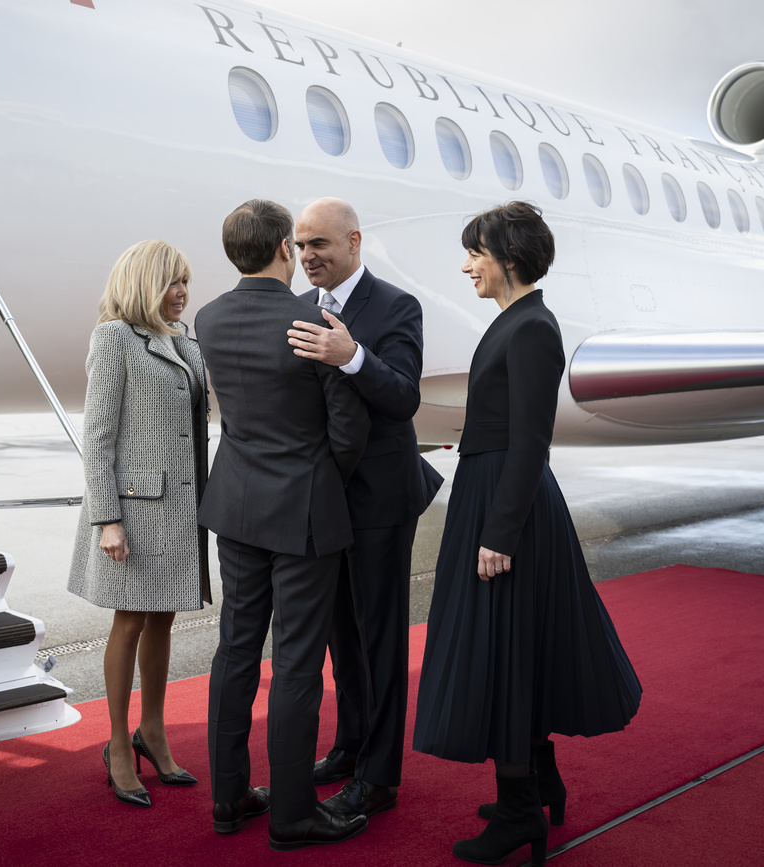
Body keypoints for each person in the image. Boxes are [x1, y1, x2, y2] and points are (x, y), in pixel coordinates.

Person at [412, 202, 642, 865]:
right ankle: (539, 782)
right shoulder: (516, 322)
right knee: (518, 648)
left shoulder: (533, 328)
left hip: (506, 505)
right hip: (493, 495)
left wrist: (500, 531)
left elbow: (531, 441)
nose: (466, 266)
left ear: (507, 257)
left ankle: (519, 813)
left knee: (505, 654)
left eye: (475, 254)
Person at [196, 198, 371, 850]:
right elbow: (348, 429)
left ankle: (228, 797)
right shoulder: (313, 317)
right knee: (297, 664)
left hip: (235, 504)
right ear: (283, 251)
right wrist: (319, 476)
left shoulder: (209, 318)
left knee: (235, 653)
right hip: (301, 512)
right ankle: (294, 813)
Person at [285, 197, 443, 820]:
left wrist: (349, 355)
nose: (307, 257)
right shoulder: (296, 311)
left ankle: (379, 776)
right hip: (321, 501)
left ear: (354, 242)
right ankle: (351, 745)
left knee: (379, 638)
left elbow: (403, 397)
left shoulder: (397, 306)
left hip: (380, 500)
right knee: (339, 636)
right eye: (300, 246)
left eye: (319, 245)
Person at [68, 239, 211, 809]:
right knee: (129, 622)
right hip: (134, 510)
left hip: (182, 509)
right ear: (144, 284)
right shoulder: (115, 338)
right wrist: (107, 519)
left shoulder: (188, 343)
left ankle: (152, 732)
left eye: (185, 283)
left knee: (163, 621)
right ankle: (117, 745)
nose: (182, 293)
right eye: (172, 282)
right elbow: (97, 437)